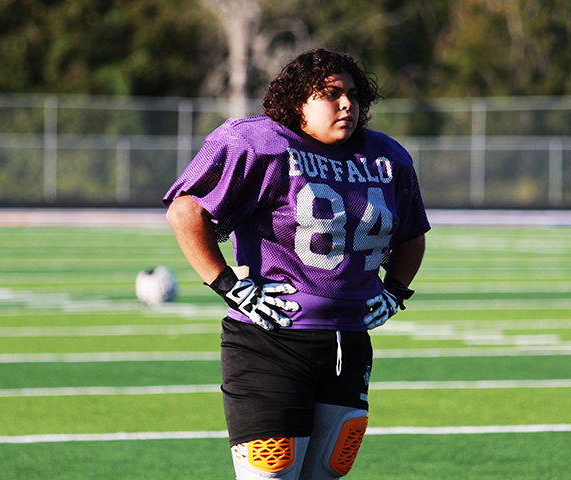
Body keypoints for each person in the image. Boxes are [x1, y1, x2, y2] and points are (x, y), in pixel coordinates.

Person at [164, 48, 429, 480]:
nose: (347, 104)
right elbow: (186, 212)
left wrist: (395, 291)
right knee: (272, 474)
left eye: (353, 94)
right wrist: (228, 285)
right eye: (331, 94)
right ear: (296, 102)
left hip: (347, 346)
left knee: (326, 472)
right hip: (271, 342)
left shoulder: (386, 157)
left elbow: (412, 234)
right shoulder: (259, 142)